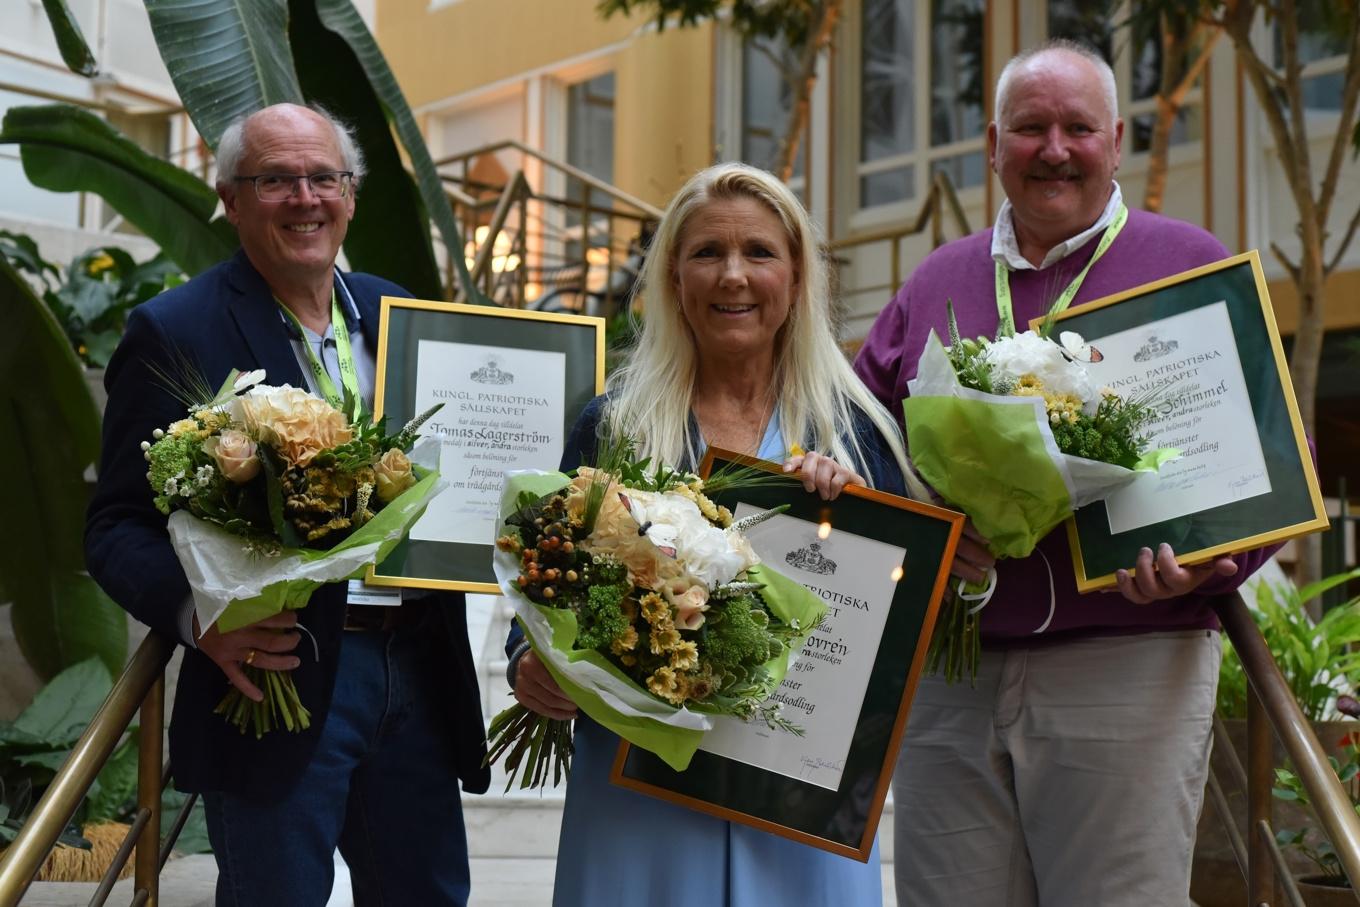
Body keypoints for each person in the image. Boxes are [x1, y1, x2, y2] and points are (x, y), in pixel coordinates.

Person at [854, 40, 1277, 906]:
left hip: (1126, 659)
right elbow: (864, 444)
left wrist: (1213, 560)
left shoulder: (1189, 263)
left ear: (1116, 140)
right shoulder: (938, 276)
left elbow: (1275, 462)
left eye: (1078, 127)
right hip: (953, 671)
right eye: (1031, 127)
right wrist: (923, 538)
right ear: (993, 142)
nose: (1055, 148)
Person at [85, 103, 488, 907]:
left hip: (417, 667)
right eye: (275, 179)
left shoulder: (402, 315)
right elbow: (115, 524)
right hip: (277, 673)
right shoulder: (175, 329)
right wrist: (201, 619)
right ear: (232, 199)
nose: (305, 197)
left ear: (350, 194)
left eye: (323, 177)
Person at [508, 162, 928, 906]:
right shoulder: (612, 423)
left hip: (797, 796)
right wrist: (527, 663)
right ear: (673, 277)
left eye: (759, 253)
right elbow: (545, 579)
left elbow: (898, 635)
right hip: (642, 787)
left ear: (797, 278)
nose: (733, 276)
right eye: (708, 253)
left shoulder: (857, 433)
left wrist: (856, 525)